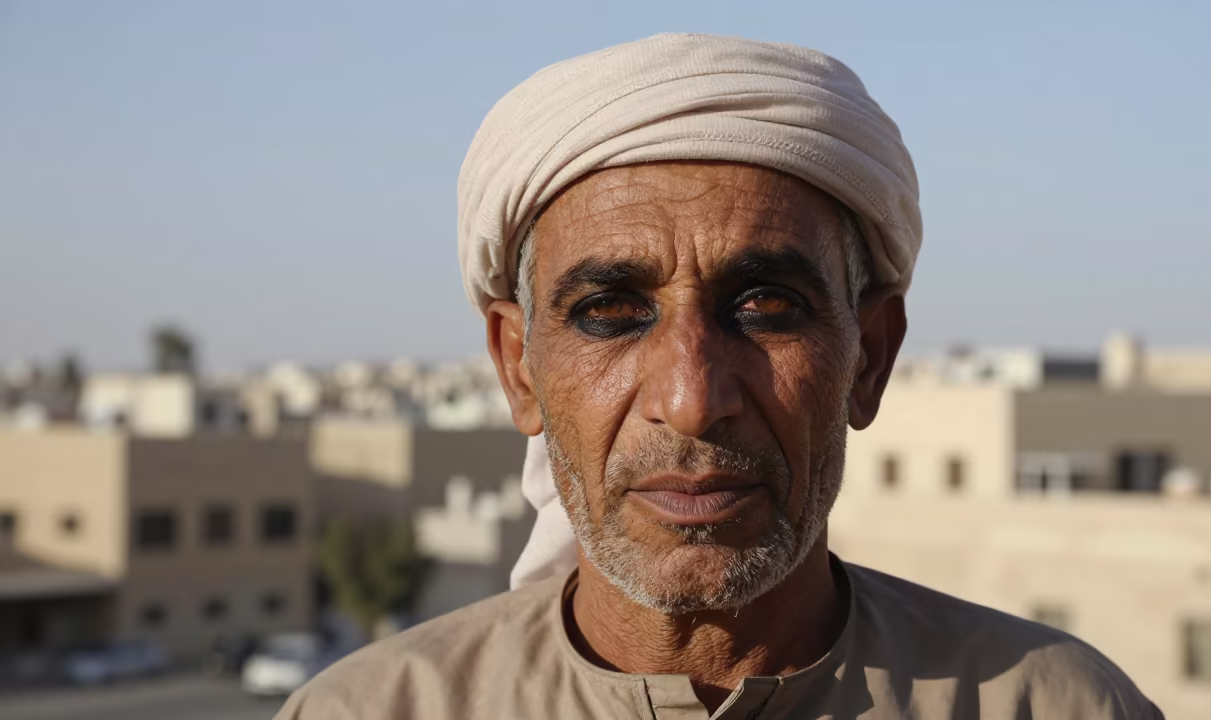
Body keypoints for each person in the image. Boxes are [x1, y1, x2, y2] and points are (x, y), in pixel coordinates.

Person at [277, 33, 1163, 719]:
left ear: (870, 356)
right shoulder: (367, 709)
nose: (693, 398)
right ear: (519, 369)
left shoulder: (1052, 703)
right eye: (611, 313)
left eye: (766, 307)